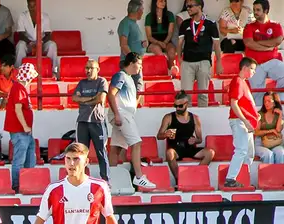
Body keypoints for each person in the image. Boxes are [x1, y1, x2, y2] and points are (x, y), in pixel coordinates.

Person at [108, 53, 156, 189]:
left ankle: (110, 177)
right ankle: (139, 176)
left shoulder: (129, 78)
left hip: (125, 114)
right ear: (131, 63)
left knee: (116, 148)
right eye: (139, 64)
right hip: (122, 114)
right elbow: (111, 94)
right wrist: (117, 114)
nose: (140, 67)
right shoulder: (121, 75)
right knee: (136, 143)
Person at [158, 91, 214, 182]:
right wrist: (165, 134)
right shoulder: (168, 117)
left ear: (186, 104)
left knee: (210, 153)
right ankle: (179, 179)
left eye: (180, 106)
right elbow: (159, 136)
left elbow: (200, 139)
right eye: (175, 106)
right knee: (169, 153)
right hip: (176, 148)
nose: (177, 108)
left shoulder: (195, 118)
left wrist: (195, 140)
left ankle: (195, 176)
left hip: (190, 148)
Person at [177, 0, 221, 108]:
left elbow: (216, 44)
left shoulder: (210, 23)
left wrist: (219, 62)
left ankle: (201, 120)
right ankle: (187, 121)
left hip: (204, 62)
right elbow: (179, 43)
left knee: (203, 95)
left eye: (191, 6)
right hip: (187, 62)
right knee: (185, 96)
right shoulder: (185, 23)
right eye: (187, 6)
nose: (188, 8)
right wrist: (179, 58)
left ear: (199, 7)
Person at [72, 59, 110, 181]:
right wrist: (91, 98)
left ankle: (106, 181)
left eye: (91, 68)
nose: (88, 70)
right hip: (82, 122)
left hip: (97, 122)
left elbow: (101, 99)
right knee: (80, 154)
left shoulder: (102, 81)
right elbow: (74, 98)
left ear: (97, 69)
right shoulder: (81, 83)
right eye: (86, 68)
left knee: (101, 153)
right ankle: (80, 179)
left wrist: (83, 99)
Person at [225, 56, 259, 188]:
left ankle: (242, 177)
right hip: (240, 122)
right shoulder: (238, 81)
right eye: (252, 69)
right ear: (245, 68)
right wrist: (245, 121)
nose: (254, 72)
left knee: (249, 152)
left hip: (244, 122)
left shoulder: (243, 82)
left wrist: (253, 117)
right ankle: (230, 179)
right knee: (242, 150)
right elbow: (234, 104)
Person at [5, 62, 37, 191]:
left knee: (29, 158)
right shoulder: (18, 88)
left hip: (24, 131)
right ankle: (18, 186)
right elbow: (18, 109)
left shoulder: (19, 88)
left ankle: (27, 183)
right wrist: (25, 126)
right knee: (20, 159)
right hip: (20, 131)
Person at [244, 0, 284, 105]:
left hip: (271, 62)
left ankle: (276, 100)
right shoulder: (249, 26)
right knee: (257, 94)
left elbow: (278, 40)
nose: (255, 12)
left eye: (258, 10)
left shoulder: (275, 25)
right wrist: (267, 48)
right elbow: (249, 43)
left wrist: (258, 42)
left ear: (266, 10)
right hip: (255, 64)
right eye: (254, 10)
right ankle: (259, 117)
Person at [14, 0, 59, 75]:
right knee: (20, 45)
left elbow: (48, 34)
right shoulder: (22, 16)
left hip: (42, 43)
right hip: (28, 43)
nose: (32, 8)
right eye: (30, 6)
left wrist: (40, 43)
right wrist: (30, 43)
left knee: (52, 45)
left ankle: (54, 72)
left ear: (38, 6)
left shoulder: (45, 16)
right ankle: (18, 72)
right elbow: (21, 34)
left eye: (34, 6)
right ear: (28, 6)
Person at [118, 1, 147, 94]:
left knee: (137, 88)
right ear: (138, 10)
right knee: (134, 89)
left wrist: (141, 45)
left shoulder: (133, 23)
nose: (143, 12)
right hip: (130, 63)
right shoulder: (125, 23)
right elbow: (123, 44)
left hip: (135, 63)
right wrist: (134, 61)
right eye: (142, 9)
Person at [145, 0, 177, 71]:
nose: (164, 3)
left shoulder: (169, 15)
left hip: (167, 40)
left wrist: (165, 42)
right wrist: (159, 43)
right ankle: (166, 72)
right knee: (159, 53)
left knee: (172, 51)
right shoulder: (149, 17)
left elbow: (170, 33)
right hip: (154, 42)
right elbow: (149, 36)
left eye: (165, 1)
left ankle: (172, 71)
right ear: (155, 2)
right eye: (161, 1)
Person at [254, 92, 284, 163]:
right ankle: (268, 174)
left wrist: (280, 114)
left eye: (269, 101)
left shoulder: (278, 115)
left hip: (275, 143)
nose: (266, 103)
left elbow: (278, 129)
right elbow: (256, 132)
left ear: (274, 103)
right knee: (268, 154)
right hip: (261, 143)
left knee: (281, 152)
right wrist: (270, 131)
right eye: (265, 101)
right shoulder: (260, 114)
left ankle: (280, 174)